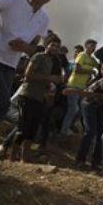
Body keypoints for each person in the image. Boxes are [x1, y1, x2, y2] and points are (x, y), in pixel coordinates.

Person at [0, 0, 54, 158]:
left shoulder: (43, 18)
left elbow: (34, 47)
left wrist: (25, 47)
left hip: (9, 65)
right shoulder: (11, 0)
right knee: (2, 103)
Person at [9, 34, 63, 162]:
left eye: (57, 47)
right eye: (53, 45)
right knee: (23, 129)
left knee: (33, 131)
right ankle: (12, 157)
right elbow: (28, 75)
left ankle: (24, 158)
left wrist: (48, 91)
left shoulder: (52, 62)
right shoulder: (38, 56)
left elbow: (46, 82)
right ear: (46, 45)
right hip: (27, 96)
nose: (55, 48)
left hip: (39, 99)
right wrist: (49, 78)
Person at [59, 39, 98, 137]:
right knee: (73, 109)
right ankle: (63, 132)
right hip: (73, 85)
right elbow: (77, 70)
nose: (92, 48)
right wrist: (91, 71)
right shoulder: (82, 55)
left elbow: (99, 67)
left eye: (94, 46)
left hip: (82, 88)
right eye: (91, 45)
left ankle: (69, 126)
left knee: (81, 110)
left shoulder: (91, 59)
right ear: (86, 46)